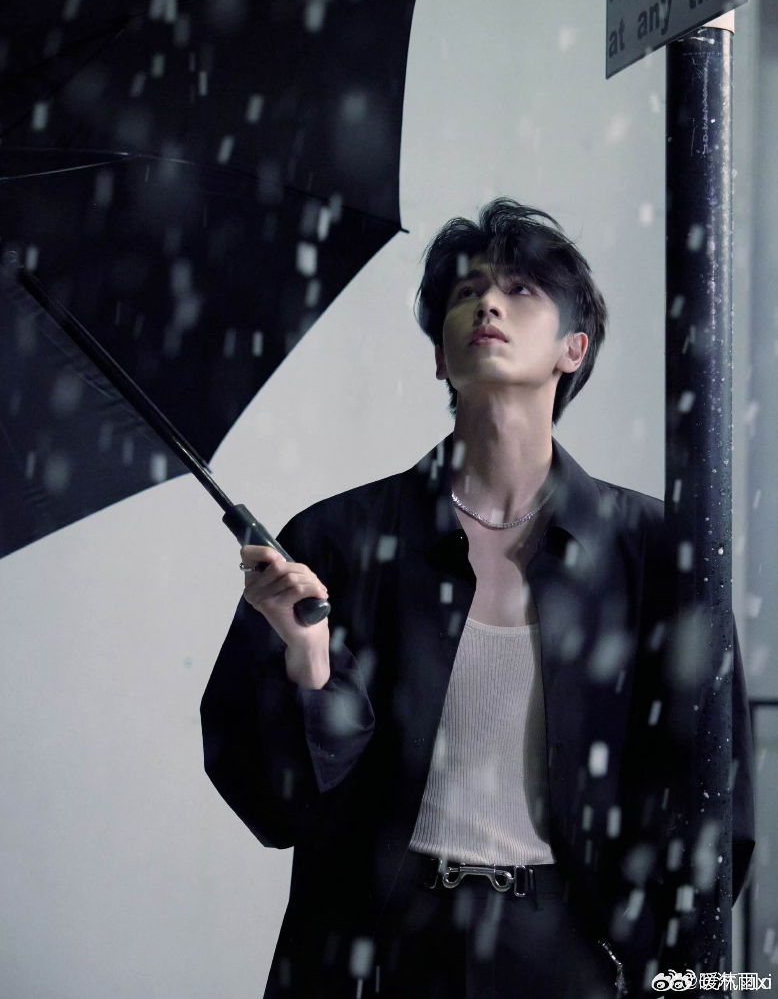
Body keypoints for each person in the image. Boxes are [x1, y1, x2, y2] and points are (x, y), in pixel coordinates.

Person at [200, 198, 755, 999]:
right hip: (380, 958)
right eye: (467, 292)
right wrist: (310, 663)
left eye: (520, 289)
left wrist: (666, 975)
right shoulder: (332, 541)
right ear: (438, 356)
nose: (488, 302)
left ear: (574, 347)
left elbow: (713, 811)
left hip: (569, 958)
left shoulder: (658, 554)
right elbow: (273, 806)